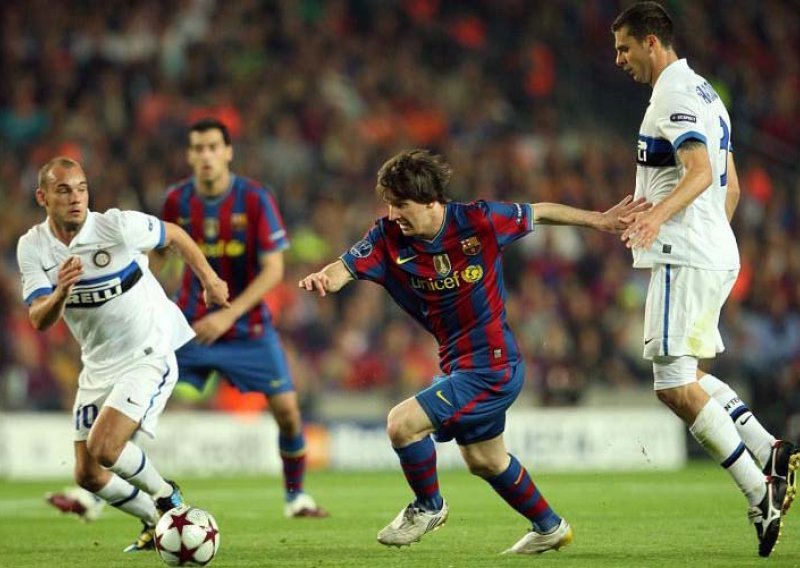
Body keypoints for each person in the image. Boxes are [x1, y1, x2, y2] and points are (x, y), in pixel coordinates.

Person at [298, 148, 649, 553]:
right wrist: (325, 278)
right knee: (485, 460)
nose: (393, 214)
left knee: (402, 424)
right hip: (458, 366)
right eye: (390, 205)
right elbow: (345, 267)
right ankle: (550, 526)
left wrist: (600, 220)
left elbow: (540, 212)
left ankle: (428, 507)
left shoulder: (478, 220)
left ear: (430, 201)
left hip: (493, 366)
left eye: (401, 205)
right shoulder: (386, 237)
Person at [47, 118, 328, 520]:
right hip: (189, 327)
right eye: (198, 148)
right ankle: (92, 492)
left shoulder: (254, 199)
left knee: (287, 412)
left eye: (213, 147)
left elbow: (274, 270)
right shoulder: (177, 199)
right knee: (131, 395)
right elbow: (158, 258)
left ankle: (296, 497)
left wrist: (227, 316)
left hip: (248, 328)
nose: (206, 155)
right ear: (190, 155)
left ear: (228, 152)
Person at [611, 2, 797, 558]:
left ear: (651, 42)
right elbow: (728, 186)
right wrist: (711, 236)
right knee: (685, 376)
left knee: (673, 385)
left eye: (624, 47)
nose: (618, 59)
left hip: (685, 253)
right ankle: (769, 450)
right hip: (709, 250)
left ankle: (758, 493)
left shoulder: (672, 95)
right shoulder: (707, 94)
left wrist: (659, 219)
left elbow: (697, 172)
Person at [17, 157, 230, 552]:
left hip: (148, 349)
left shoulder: (114, 226)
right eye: (63, 190)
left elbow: (174, 235)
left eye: (81, 188)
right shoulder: (33, 247)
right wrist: (61, 292)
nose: (76, 198)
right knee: (87, 475)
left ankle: (168, 498)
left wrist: (210, 279)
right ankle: (154, 521)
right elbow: (39, 319)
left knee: (105, 448)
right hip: (97, 363)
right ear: (42, 197)